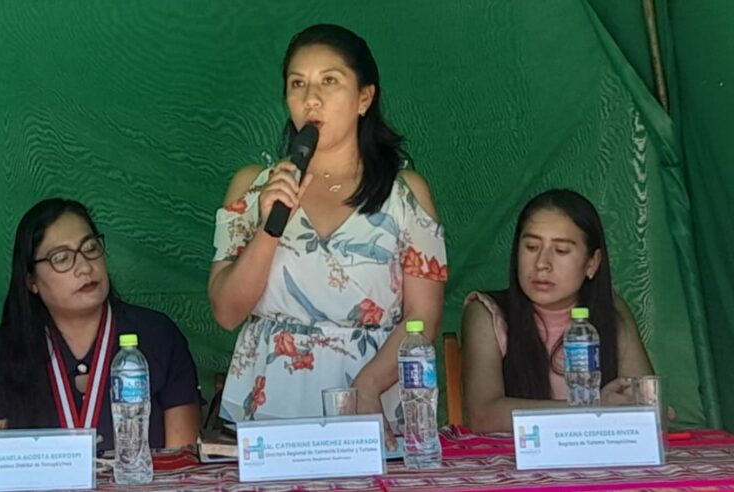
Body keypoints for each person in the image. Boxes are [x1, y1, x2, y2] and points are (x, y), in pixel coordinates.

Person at [209, 24, 447, 437]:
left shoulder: (406, 195)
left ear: (364, 98)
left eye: (329, 81)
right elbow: (227, 313)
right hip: (270, 405)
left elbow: (423, 319)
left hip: (374, 402)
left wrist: (367, 387)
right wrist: (268, 228)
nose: (311, 98)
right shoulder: (252, 188)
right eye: (297, 83)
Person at [0, 198, 202, 451]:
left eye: (90, 248)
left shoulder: (158, 335)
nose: (85, 267)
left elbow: (181, 460)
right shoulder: (5, 349)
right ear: (31, 281)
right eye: (61, 258)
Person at [462, 189, 655, 433]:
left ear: (592, 263)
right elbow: (483, 416)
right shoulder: (487, 313)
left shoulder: (611, 309)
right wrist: (591, 411)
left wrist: (650, 410)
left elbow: (645, 403)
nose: (542, 264)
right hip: (514, 456)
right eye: (531, 247)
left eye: (561, 250)